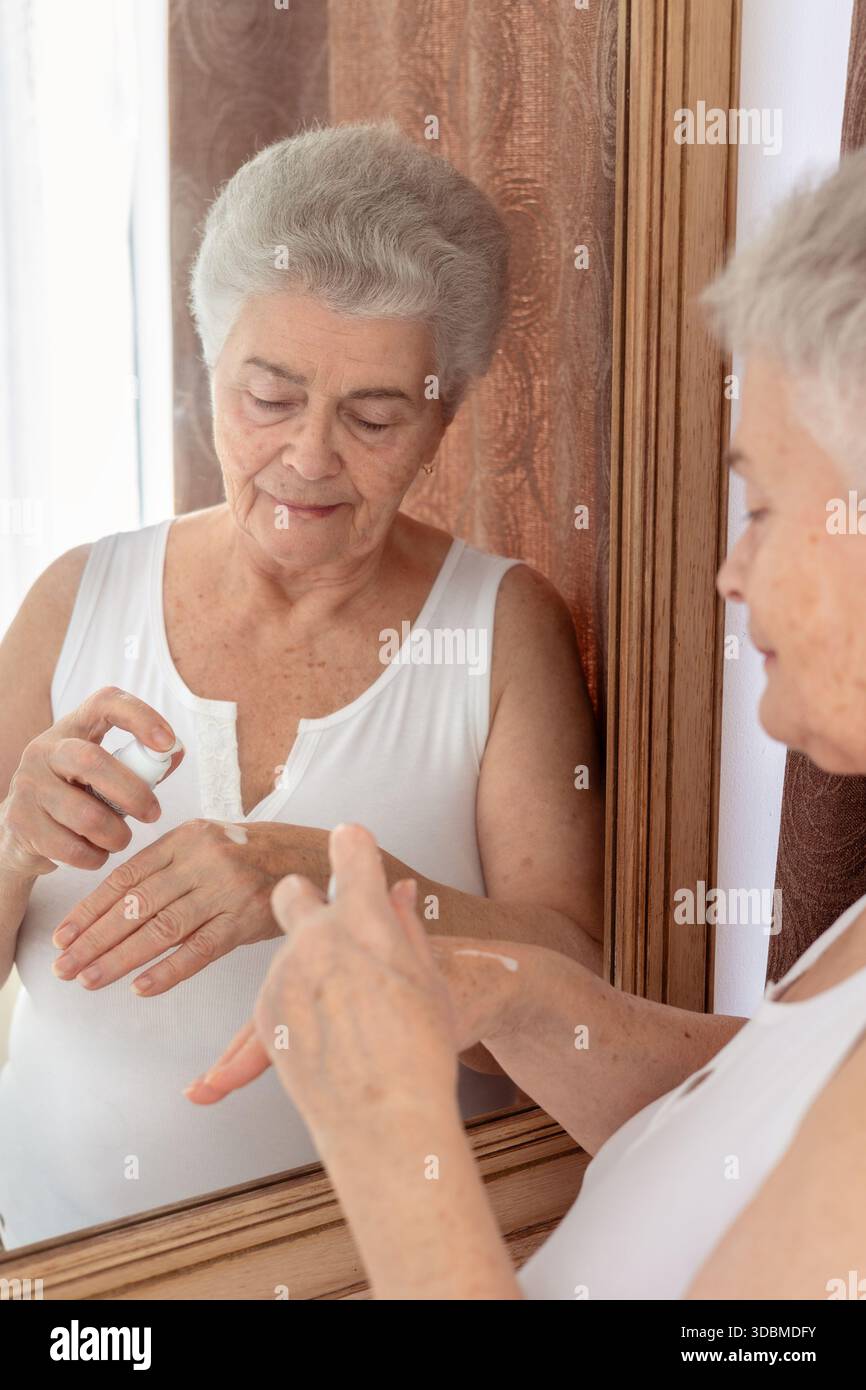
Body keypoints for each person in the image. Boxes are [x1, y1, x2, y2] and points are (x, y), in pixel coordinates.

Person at [189, 146, 866, 1299]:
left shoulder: (498, 627)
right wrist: (532, 1002)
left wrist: (389, 1137)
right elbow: (756, 1120)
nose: (729, 571)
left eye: (759, 503)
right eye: (269, 394)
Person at [0, 120, 604, 1249]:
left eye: (375, 417)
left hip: (383, 1271)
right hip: (70, 1266)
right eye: (267, 397)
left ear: (445, 413)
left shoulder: (499, 628)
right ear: (206, 363)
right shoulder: (74, 601)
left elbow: (571, 1005)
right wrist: (14, 848)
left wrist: (322, 876)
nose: (310, 458)